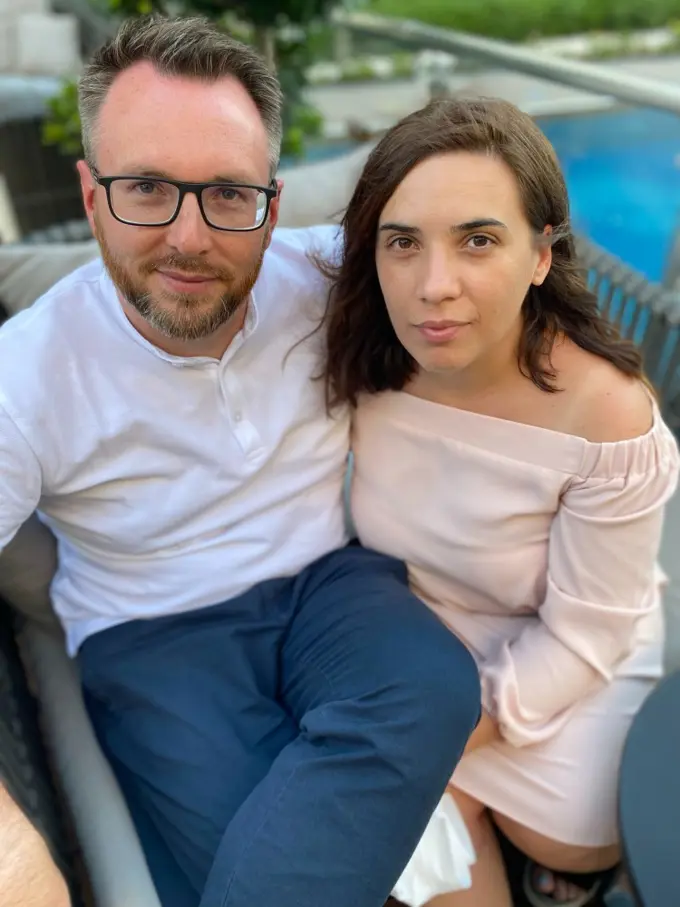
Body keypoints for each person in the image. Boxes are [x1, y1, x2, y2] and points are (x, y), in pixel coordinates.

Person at [0, 16, 481, 907]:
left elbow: (485, 279)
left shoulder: (332, 279)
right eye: (146, 187)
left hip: (329, 584)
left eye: (227, 194)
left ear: (272, 197)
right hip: (154, 630)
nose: (189, 237)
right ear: (91, 192)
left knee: (438, 683)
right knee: (264, 860)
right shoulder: (25, 373)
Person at [322, 97, 680, 907]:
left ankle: (554, 866)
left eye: (478, 240)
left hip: (573, 652)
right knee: (417, 838)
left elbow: (592, 629)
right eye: (402, 243)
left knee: (570, 827)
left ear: (542, 255)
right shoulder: (364, 351)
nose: (433, 287)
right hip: (428, 643)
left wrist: (438, 740)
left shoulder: (604, 412)